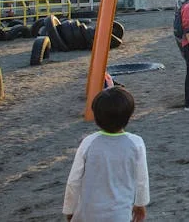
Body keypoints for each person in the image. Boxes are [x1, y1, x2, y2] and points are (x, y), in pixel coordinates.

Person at [63, 87, 149, 222]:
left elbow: (74, 180)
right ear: (129, 117)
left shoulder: (89, 142)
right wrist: (140, 203)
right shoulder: (136, 143)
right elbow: (142, 179)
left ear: (96, 118)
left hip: (88, 213)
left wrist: (69, 209)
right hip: (119, 214)